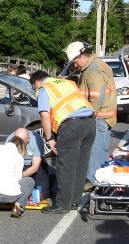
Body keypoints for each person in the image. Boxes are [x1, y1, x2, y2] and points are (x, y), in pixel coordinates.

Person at [30, 70, 95, 214]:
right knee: (80, 165)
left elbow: (44, 116)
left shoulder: (44, 89)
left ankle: (61, 204)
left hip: (72, 125)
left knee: (65, 165)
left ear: (37, 82)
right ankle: (73, 201)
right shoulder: (67, 83)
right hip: (90, 122)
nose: (35, 91)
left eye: (34, 88)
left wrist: (49, 138)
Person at [62, 41, 117, 190]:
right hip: (104, 116)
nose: (75, 65)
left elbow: (96, 97)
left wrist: (90, 116)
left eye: (75, 61)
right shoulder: (94, 66)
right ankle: (101, 178)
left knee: (95, 150)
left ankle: (94, 180)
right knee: (101, 150)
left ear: (82, 56)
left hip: (98, 117)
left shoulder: (92, 71)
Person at [5, 127, 50, 199]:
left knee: (41, 193)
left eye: (22, 141)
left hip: (33, 163)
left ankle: (42, 193)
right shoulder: (9, 140)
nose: (29, 139)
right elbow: (7, 162)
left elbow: (35, 167)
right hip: (17, 164)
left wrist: (20, 176)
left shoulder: (36, 140)